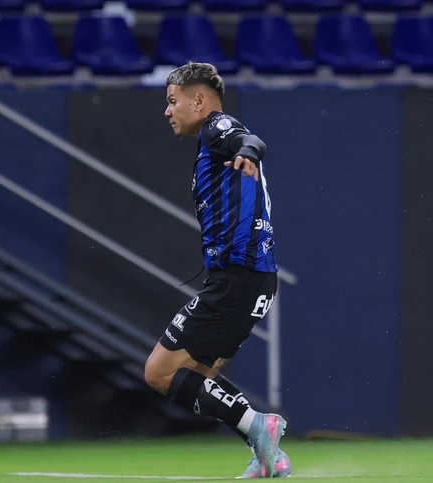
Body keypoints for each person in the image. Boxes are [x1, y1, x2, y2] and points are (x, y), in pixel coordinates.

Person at [143, 61, 291, 479]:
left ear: (198, 100)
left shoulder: (216, 126)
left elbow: (249, 139)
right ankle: (268, 456)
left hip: (238, 279)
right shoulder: (211, 141)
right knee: (199, 378)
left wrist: (247, 151)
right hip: (249, 279)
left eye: (172, 101)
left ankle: (262, 427)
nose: (167, 111)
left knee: (159, 372)